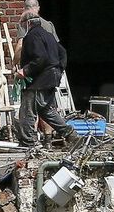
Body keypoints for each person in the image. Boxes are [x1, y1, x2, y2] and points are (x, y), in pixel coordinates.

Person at [15, 14, 74, 149]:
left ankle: (27, 142)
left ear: (28, 23)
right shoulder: (49, 36)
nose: (21, 27)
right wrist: (59, 68)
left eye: (21, 24)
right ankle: (72, 135)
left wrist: (25, 71)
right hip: (52, 78)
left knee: (27, 111)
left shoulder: (31, 36)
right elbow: (63, 52)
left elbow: (40, 58)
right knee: (46, 111)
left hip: (39, 81)